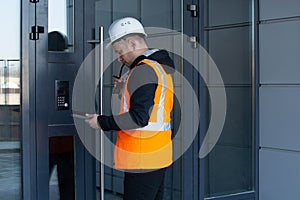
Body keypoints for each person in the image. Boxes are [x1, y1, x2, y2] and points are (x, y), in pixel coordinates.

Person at [85, 17, 175, 200]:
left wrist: (101, 122)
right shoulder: (157, 68)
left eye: (120, 51)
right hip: (157, 155)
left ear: (132, 43)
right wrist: (124, 91)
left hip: (142, 159)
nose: (119, 58)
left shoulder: (143, 71)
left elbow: (138, 118)